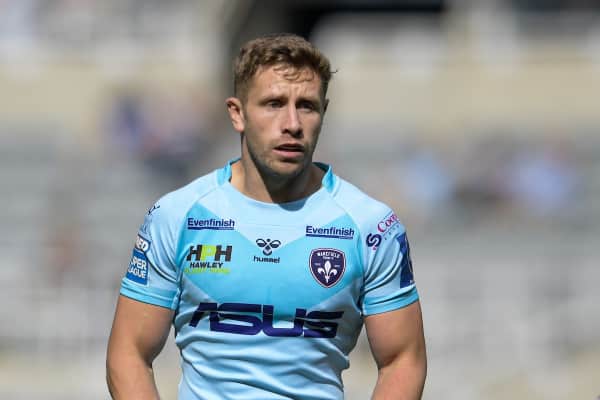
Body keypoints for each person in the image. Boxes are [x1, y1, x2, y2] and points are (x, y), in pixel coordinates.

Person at [106, 33, 427, 400]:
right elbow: (128, 353)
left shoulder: (371, 226)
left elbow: (402, 360)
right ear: (237, 113)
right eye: (274, 104)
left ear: (324, 113)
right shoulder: (177, 216)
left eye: (306, 106)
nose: (292, 123)